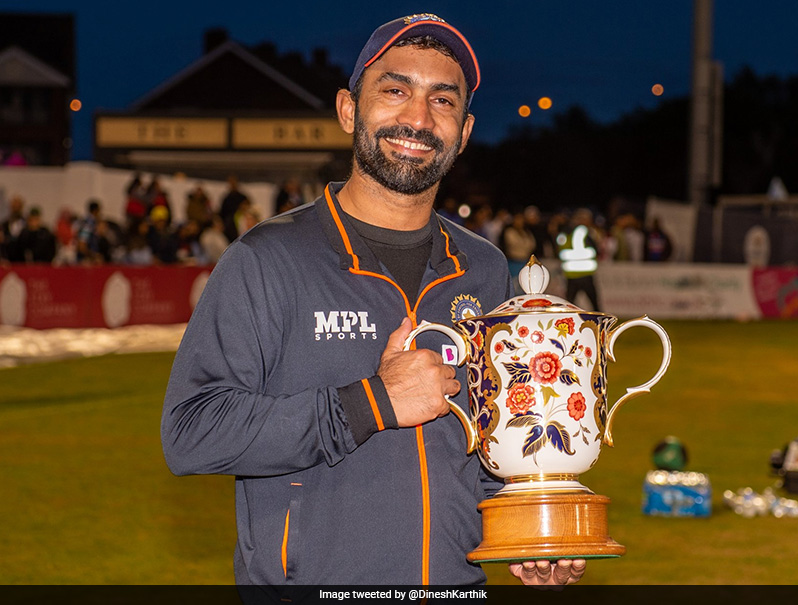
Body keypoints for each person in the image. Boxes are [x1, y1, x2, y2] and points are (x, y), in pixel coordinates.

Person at [161, 14, 585, 588]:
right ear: (348, 110)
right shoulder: (267, 259)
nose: (418, 118)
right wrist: (372, 403)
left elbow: (493, 435)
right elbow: (191, 433)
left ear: (463, 132)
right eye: (394, 91)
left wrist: (526, 529)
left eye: (442, 100)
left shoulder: (483, 268)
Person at [557, 208, 601, 311]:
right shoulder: (584, 233)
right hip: (581, 274)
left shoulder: (566, 233)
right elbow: (595, 250)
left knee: (571, 304)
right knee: (589, 304)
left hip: (575, 274)